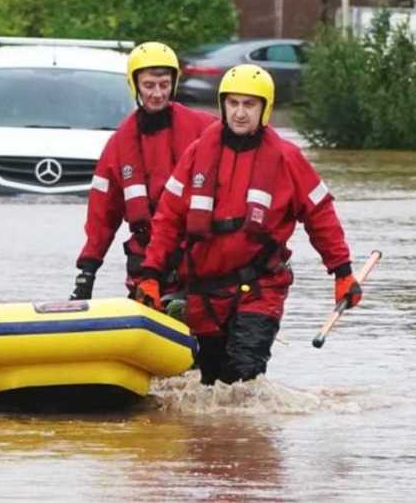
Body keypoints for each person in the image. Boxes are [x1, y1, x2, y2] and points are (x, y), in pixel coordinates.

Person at [134, 64, 361, 385]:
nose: (240, 113)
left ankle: (251, 436)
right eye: (233, 103)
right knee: (207, 385)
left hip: (259, 289)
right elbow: (168, 218)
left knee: (242, 380)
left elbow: (321, 216)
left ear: (265, 108)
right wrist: (151, 275)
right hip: (204, 293)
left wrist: (343, 272)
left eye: (249, 104)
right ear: (222, 105)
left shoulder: (287, 158)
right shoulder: (198, 153)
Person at [70, 42, 216, 301]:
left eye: (164, 85)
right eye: (149, 85)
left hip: (196, 258)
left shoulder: (205, 129)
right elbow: (102, 213)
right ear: (134, 85)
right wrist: (87, 271)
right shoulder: (119, 144)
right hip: (145, 257)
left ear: (174, 84)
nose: (158, 93)